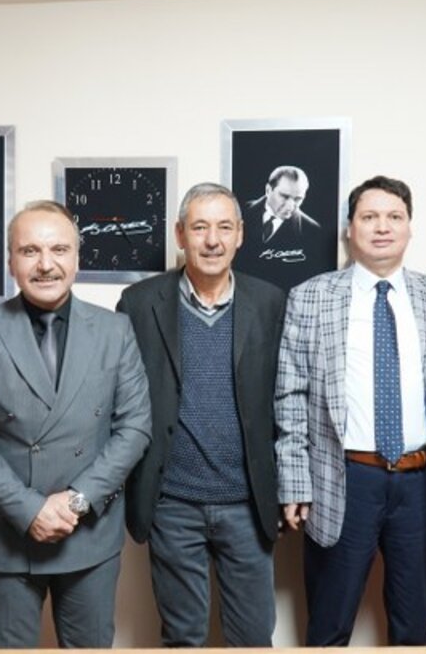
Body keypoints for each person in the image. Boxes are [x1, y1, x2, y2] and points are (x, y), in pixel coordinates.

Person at [275, 175, 426, 646]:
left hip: (421, 483)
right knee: (329, 627)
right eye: (369, 217)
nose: (382, 227)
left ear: (410, 227)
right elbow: (290, 396)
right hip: (343, 479)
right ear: (350, 229)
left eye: (394, 217)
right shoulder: (310, 297)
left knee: (414, 628)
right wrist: (294, 482)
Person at [0, 200, 152, 648]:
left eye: (59, 249)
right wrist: (29, 510)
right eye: (30, 251)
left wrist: (77, 501)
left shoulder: (115, 330)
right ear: (11, 261)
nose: (45, 264)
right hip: (6, 534)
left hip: (89, 534)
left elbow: (135, 427)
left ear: (77, 258)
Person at [117, 182, 286, 646]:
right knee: (183, 638)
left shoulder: (270, 302)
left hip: (247, 503)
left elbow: (287, 400)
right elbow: (120, 402)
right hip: (172, 502)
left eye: (224, 227)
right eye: (199, 227)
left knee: (253, 639)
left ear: (240, 235)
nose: (212, 240)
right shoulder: (138, 304)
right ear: (179, 234)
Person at [234, 165, 324, 291]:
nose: (290, 206)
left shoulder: (311, 231)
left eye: (298, 199)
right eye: (284, 196)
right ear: (268, 190)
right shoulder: (239, 213)